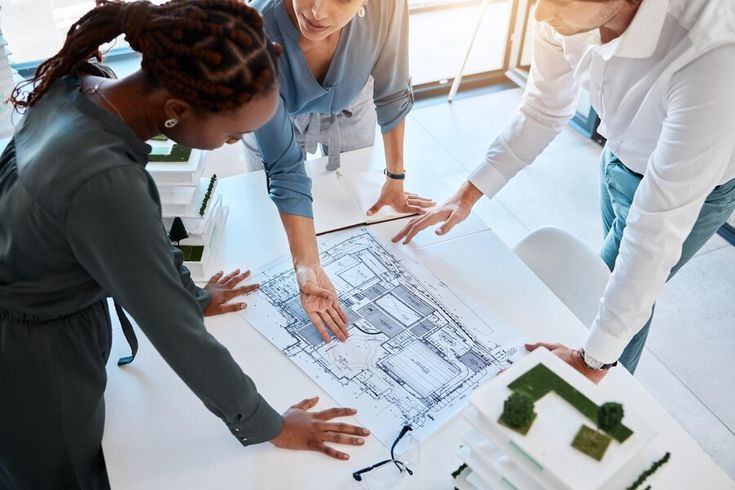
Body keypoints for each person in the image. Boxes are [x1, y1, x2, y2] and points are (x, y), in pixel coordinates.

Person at [0, 2, 369, 489]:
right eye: (233, 133)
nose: (230, 144)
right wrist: (268, 424)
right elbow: (177, 335)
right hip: (35, 360)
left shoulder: (83, 84)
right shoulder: (106, 183)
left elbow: (132, 236)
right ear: (177, 111)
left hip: (34, 299)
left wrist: (191, 295)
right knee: (67, 474)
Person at [392, 0, 735, 381]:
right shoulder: (560, 15)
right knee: (625, 289)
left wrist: (591, 362)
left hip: (697, 191)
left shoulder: (711, 55)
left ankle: (601, 393)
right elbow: (543, 107)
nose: (539, 14)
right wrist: (467, 193)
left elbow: (655, 229)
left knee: (606, 288)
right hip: (619, 156)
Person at [242, 0, 435, 344]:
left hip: (352, 102)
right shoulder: (253, 33)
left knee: (348, 210)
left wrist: (395, 179)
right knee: (267, 228)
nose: (317, 12)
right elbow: (285, 169)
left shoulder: (386, 5)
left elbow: (391, 91)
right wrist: (308, 267)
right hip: (275, 116)